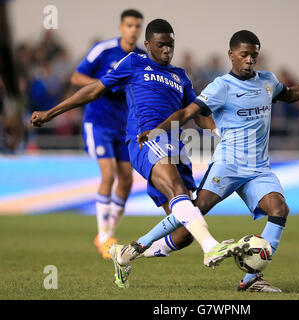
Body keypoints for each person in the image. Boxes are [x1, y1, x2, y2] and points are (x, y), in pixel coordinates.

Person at [30, 19, 249, 288]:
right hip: (147, 139)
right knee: (178, 191)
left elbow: (197, 115)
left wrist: (221, 130)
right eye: (161, 45)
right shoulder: (134, 63)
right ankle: (211, 246)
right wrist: (51, 113)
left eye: (171, 45)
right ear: (148, 45)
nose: (167, 50)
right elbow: (95, 90)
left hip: (176, 147)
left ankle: (126, 253)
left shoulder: (180, 76)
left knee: (182, 234)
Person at [136, 30, 299, 292]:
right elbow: (187, 112)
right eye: (245, 55)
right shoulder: (221, 87)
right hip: (228, 164)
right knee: (194, 210)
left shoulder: (268, 81)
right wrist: (158, 129)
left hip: (259, 169)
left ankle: (251, 280)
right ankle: (141, 245)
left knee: (279, 209)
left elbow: (292, 94)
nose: (250, 60)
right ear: (232, 55)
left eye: (254, 55)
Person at [68, 9, 145, 259]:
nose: (133, 30)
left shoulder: (141, 58)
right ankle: (103, 236)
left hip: (125, 126)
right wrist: (103, 84)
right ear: (121, 27)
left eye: (137, 26)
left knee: (126, 180)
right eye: (129, 25)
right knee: (109, 174)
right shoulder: (103, 50)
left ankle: (109, 232)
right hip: (98, 121)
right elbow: (76, 76)